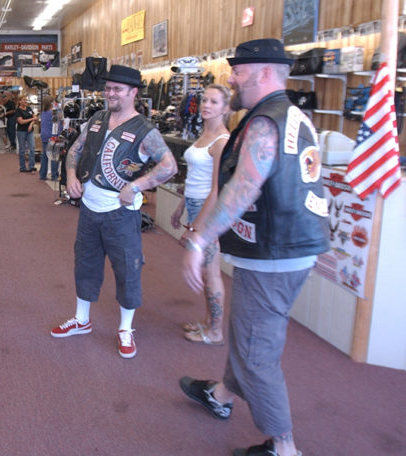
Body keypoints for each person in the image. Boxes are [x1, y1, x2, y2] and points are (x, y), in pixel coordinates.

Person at [177, 39, 329, 456]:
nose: (231, 78)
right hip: (279, 251)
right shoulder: (290, 114)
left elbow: (242, 188)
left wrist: (198, 239)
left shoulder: (266, 122)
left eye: (239, 71)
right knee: (246, 334)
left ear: (264, 72)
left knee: (256, 353)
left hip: (275, 256)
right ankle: (223, 394)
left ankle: (284, 447)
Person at [50, 65, 177, 359]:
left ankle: (125, 329)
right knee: (85, 264)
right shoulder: (97, 118)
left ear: (133, 92)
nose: (110, 93)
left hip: (121, 214)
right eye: (108, 88)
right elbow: (75, 150)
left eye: (117, 89)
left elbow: (169, 166)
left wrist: (138, 185)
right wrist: (70, 176)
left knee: (127, 270)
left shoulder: (145, 130)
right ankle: (82, 320)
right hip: (89, 209)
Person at [169, 84, 231, 345]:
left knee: (212, 271)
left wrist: (197, 225)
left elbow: (216, 190)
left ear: (226, 108)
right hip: (194, 203)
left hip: (208, 210)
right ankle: (208, 321)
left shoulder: (221, 141)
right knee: (207, 270)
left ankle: (215, 331)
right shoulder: (204, 135)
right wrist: (182, 205)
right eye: (205, 100)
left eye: (214, 102)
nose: (206, 105)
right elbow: (194, 177)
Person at [38, 96, 60, 181]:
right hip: (52, 136)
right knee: (54, 156)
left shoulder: (43, 113)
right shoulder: (53, 113)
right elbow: (56, 125)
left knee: (45, 156)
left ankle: (42, 174)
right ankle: (54, 176)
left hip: (44, 136)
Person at [16, 96, 38, 172]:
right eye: (24, 100)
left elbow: (35, 117)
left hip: (30, 131)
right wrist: (32, 119)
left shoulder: (29, 109)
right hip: (21, 131)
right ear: (20, 101)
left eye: (26, 100)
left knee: (32, 148)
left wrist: (31, 124)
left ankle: (31, 166)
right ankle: (22, 167)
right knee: (22, 150)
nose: (26, 101)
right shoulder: (18, 110)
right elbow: (21, 121)